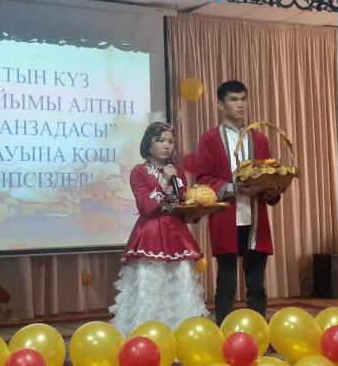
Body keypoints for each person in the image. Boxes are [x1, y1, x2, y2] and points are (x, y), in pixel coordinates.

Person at [196, 80, 285, 324]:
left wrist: (271, 189)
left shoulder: (260, 138)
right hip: (226, 217)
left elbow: (269, 177)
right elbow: (203, 179)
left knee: (256, 285)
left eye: (243, 99)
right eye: (234, 100)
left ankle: (259, 333)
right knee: (226, 284)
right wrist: (234, 188)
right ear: (220, 104)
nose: (240, 105)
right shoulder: (210, 139)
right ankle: (224, 333)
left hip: (255, 218)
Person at [109, 121, 208, 336]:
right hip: (150, 234)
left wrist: (197, 209)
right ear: (149, 144)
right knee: (151, 284)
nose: (166, 146)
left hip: (176, 235)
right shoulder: (139, 171)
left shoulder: (178, 173)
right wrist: (165, 183)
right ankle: (147, 335)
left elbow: (182, 203)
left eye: (171, 142)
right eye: (161, 140)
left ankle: (181, 334)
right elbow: (146, 207)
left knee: (178, 282)